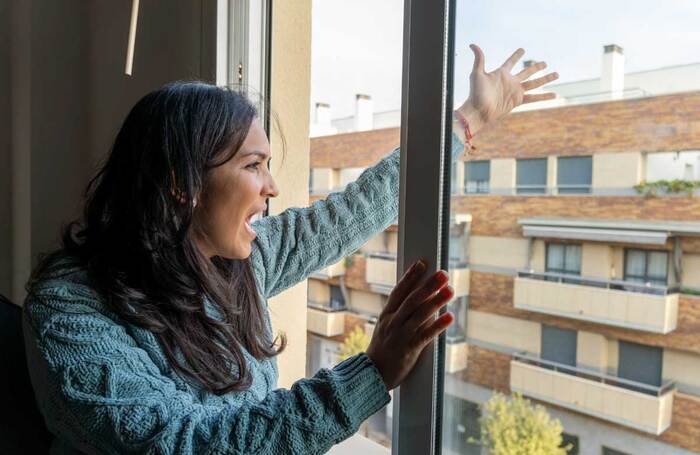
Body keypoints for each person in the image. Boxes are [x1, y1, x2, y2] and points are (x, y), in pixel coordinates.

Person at [22, 45, 557, 454]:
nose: (271, 187)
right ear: (181, 183)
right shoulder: (70, 308)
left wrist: (468, 121)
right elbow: (187, 444)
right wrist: (368, 375)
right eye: (253, 166)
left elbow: (347, 214)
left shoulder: (236, 261)